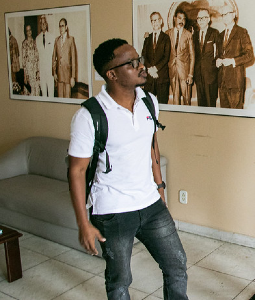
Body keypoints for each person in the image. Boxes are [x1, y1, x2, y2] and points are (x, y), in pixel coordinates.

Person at [67, 38, 189, 300]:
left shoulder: (149, 101)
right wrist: (83, 224)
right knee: (120, 281)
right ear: (112, 74)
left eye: (139, 60)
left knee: (176, 263)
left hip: (150, 203)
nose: (141, 66)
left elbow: (152, 145)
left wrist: (160, 188)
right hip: (112, 210)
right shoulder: (89, 116)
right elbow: (76, 171)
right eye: (132, 63)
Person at [215, 4, 254, 109]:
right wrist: (217, 61)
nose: (224, 17)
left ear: (233, 15)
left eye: (227, 14)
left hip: (235, 82)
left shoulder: (242, 32)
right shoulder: (220, 35)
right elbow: (218, 55)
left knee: (236, 116)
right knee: (225, 117)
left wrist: (233, 61)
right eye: (222, 15)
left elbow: (250, 55)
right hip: (222, 82)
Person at [141, 12, 171, 104]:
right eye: (153, 20)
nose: (156, 22)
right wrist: (150, 69)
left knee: (163, 106)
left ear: (161, 21)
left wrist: (155, 69)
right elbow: (143, 56)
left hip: (162, 78)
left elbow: (166, 57)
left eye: (157, 20)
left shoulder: (166, 38)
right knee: (148, 106)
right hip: (149, 79)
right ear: (151, 22)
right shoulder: (147, 38)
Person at [166, 9, 194, 105]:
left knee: (187, 99)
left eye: (183, 19)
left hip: (184, 72)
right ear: (174, 19)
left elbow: (192, 56)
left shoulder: (188, 34)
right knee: (175, 98)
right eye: (179, 18)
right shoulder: (167, 33)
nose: (181, 21)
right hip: (172, 70)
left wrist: (190, 74)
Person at [193, 8, 219, 107]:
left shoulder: (214, 33)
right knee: (201, 106)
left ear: (208, 19)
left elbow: (218, 54)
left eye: (204, 18)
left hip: (211, 76)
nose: (201, 20)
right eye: (199, 18)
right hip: (199, 76)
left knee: (210, 105)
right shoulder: (194, 35)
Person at [52, 18, 77, 98]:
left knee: (67, 97)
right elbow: (53, 57)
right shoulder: (57, 40)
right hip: (59, 75)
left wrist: (73, 77)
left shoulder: (71, 40)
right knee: (60, 97)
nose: (61, 28)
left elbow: (73, 60)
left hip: (68, 75)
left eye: (62, 26)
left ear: (66, 27)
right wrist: (54, 72)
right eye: (59, 26)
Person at [36, 14, 56, 97]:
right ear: (40, 25)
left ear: (46, 25)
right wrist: (38, 71)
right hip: (42, 70)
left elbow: (55, 55)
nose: (43, 25)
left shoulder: (52, 37)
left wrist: (54, 69)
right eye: (41, 23)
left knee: (51, 93)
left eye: (44, 23)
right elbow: (37, 56)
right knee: (43, 93)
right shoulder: (37, 39)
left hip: (50, 70)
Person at [22, 24, 40, 96]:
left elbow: (37, 57)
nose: (29, 32)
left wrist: (38, 71)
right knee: (30, 91)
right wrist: (25, 75)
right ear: (25, 32)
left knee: (37, 90)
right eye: (27, 30)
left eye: (30, 30)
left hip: (35, 70)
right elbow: (23, 61)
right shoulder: (24, 44)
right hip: (28, 71)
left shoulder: (35, 42)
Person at [9, 28, 22, 94]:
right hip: (15, 63)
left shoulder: (11, 40)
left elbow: (11, 55)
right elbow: (18, 53)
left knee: (13, 79)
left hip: (12, 64)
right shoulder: (14, 39)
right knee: (15, 78)